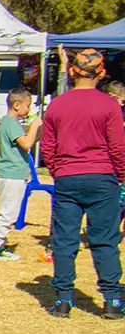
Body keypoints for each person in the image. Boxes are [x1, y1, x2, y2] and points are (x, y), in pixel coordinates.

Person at [39, 48, 125, 318]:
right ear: (100, 73)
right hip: (103, 178)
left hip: (67, 177)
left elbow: (48, 147)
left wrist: (58, 170)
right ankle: (112, 301)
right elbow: (118, 147)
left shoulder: (57, 105)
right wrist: (119, 176)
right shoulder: (110, 105)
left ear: (73, 71)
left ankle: (63, 300)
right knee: (105, 240)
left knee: (64, 241)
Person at [0, 88, 40, 260]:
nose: (29, 110)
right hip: (12, 175)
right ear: (16, 105)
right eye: (27, 106)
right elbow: (26, 144)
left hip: (8, 173)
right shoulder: (11, 123)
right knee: (9, 211)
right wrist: (35, 126)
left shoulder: (5, 123)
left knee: (9, 210)